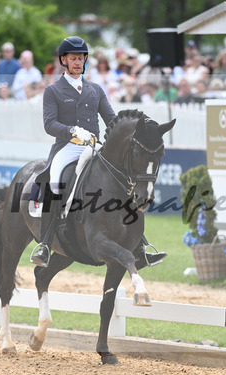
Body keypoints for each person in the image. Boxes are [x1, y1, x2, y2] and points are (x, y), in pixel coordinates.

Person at [30, 36, 166, 269]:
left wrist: (132, 134)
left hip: (93, 147)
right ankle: (44, 243)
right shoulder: (53, 90)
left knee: (123, 182)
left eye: (81, 58)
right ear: (64, 61)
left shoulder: (95, 90)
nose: (78, 63)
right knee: (56, 181)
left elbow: (111, 120)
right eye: (73, 59)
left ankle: (139, 246)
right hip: (67, 147)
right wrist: (72, 131)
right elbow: (49, 124)